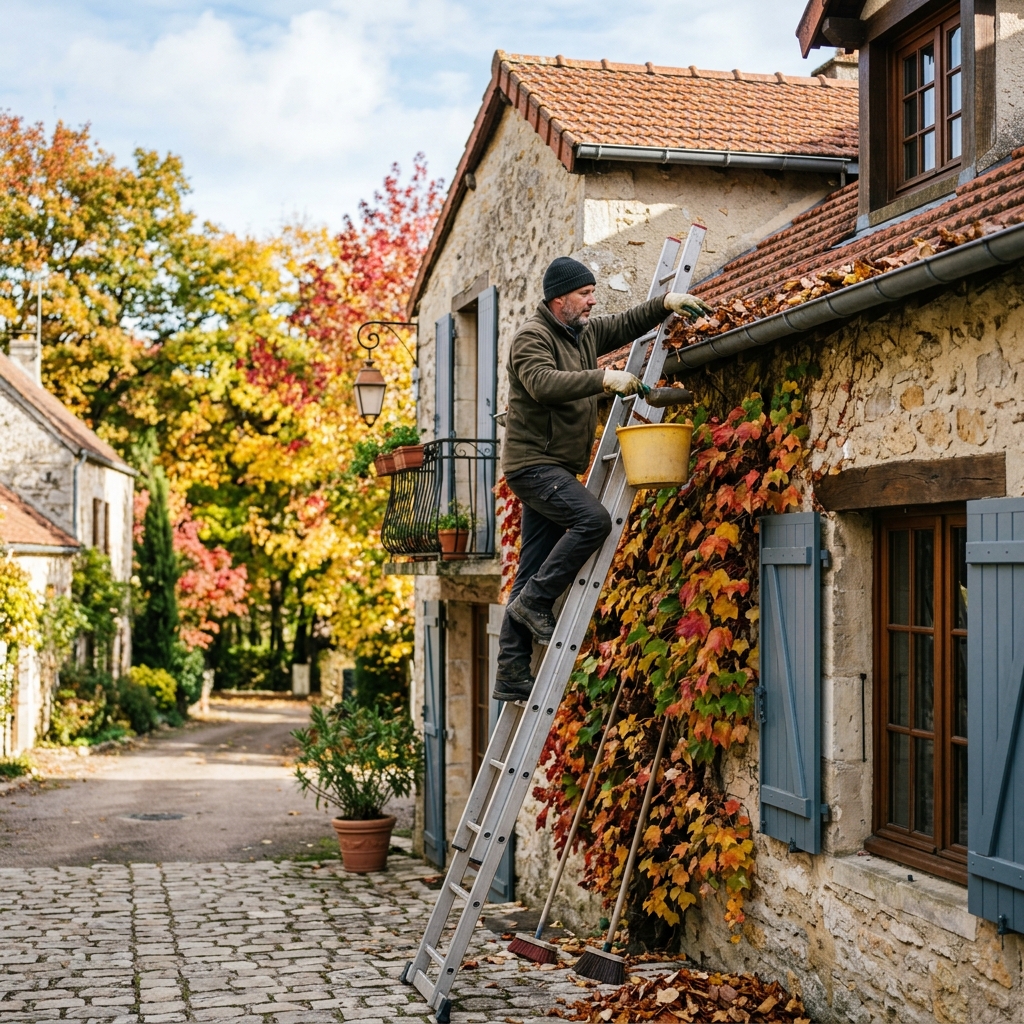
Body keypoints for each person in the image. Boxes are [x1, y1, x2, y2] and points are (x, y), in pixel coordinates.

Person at [493, 255, 710, 701]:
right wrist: (603, 379)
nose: (593, 301)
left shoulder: (583, 332)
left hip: (554, 465)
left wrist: (666, 302)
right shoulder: (531, 339)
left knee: (531, 567)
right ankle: (535, 602)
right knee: (592, 521)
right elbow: (542, 384)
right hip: (532, 465)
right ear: (559, 299)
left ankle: (510, 672)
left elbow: (625, 322)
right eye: (585, 294)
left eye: (593, 293)